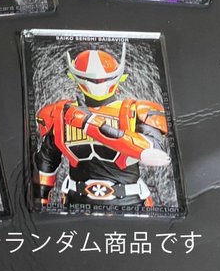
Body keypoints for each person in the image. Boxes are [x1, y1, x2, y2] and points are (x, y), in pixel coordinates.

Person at [33, 44, 170, 208]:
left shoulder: (137, 111)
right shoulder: (61, 114)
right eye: (91, 79)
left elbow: (155, 153)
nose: (98, 82)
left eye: (104, 79)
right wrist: (40, 204)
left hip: (129, 203)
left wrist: (89, 123)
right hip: (77, 202)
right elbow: (46, 164)